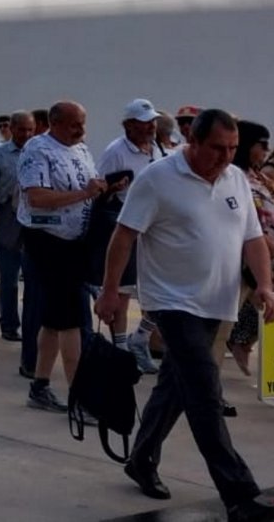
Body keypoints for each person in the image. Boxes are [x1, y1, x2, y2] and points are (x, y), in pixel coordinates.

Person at [102, 108, 274, 522]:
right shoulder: (158, 179)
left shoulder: (236, 178)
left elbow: (253, 239)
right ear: (193, 141)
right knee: (205, 394)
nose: (226, 156)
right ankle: (238, 495)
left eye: (233, 148)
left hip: (217, 303)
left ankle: (141, 458)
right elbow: (124, 235)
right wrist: (111, 291)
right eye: (217, 148)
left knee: (175, 388)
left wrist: (265, 285)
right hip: (172, 302)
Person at [18, 101, 104, 411]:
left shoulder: (81, 149)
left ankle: (40, 385)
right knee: (72, 320)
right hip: (48, 240)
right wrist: (84, 194)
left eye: (83, 123)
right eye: (73, 124)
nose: (80, 130)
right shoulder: (38, 150)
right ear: (54, 123)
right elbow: (37, 197)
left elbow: (90, 184)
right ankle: (78, 395)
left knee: (55, 319)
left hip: (75, 241)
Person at [94, 98, 164, 372]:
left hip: (154, 227)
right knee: (121, 293)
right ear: (129, 125)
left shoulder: (156, 149)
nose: (151, 127)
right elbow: (99, 189)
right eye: (145, 123)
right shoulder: (116, 152)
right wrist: (112, 188)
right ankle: (121, 350)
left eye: (153, 122)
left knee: (158, 291)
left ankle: (141, 339)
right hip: (126, 223)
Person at [226, 121, 274, 376]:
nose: (267, 150)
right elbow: (252, 225)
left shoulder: (261, 178)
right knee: (226, 321)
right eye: (261, 145)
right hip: (250, 258)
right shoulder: (236, 179)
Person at [0, 110, 33, 345]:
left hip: (34, 220)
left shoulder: (39, 152)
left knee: (33, 277)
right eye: (22, 129)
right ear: (11, 129)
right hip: (8, 218)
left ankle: (33, 323)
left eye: (30, 130)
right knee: (9, 277)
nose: (26, 134)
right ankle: (9, 324)